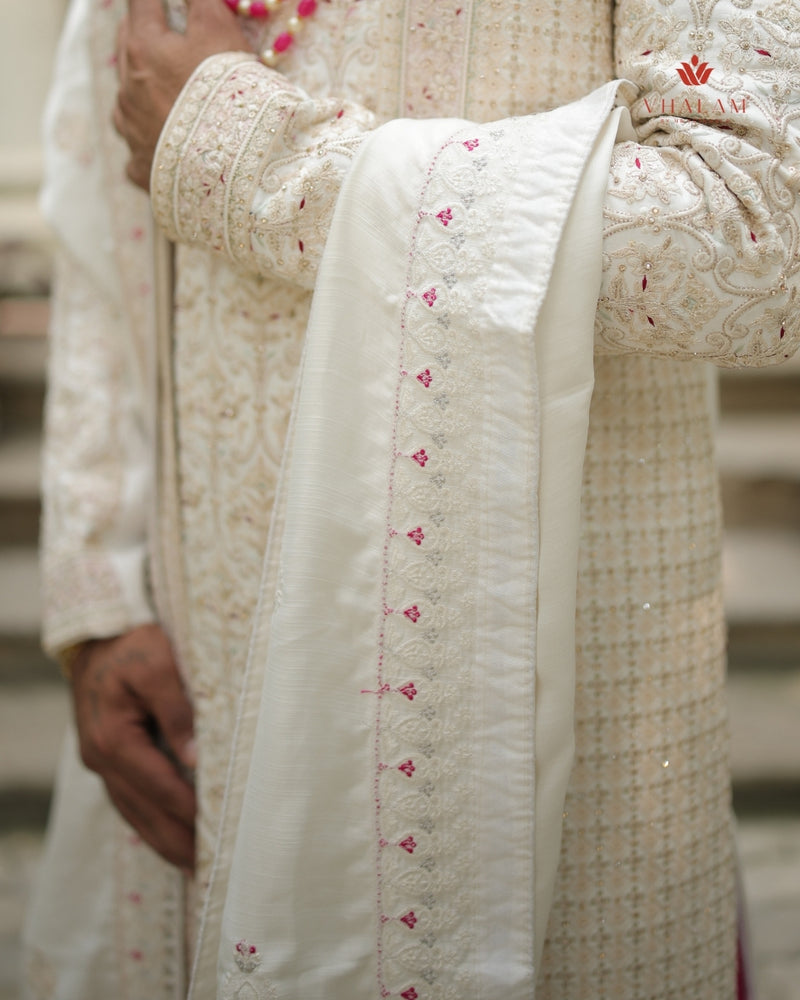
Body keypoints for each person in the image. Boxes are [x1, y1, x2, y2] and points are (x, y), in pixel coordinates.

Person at [23, 0, 799, 997]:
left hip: (512, 676)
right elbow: (100, 200)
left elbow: (758, 236)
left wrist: (251, 158)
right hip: (192, 674)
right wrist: (99, 596)